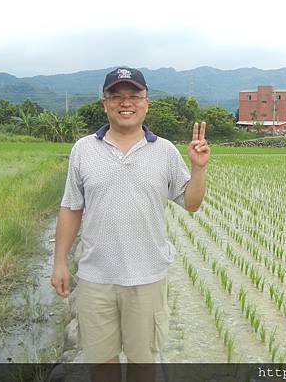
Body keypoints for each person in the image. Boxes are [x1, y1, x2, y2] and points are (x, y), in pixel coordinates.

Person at [51, 67, 209, 380]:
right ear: (104, 103)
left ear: (146, 102)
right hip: (96, 278)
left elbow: (191, 203)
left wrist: (198, 168)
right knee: (101, 365)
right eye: (117, 96)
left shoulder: (164, 151)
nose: (126, 103)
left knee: (143, 365)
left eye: (134, 96)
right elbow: (71, 208)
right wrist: (59, 262)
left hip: (147, 277)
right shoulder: (83, 149)